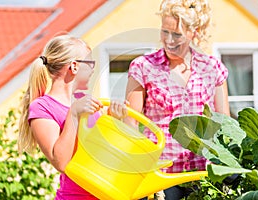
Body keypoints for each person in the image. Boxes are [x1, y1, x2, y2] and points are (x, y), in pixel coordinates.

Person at [125, 0, 230, 199]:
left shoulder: (212, 68)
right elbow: (130, 120)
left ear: (195, 32)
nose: (169, 40)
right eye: (164, 32)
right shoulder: (143, 66)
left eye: (177, 34)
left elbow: (224, 121)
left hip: (202, 174)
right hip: (159, 175)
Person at [18, 34, 128, 200]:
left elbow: (103, 153)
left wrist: (116, 121)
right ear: (75, 67)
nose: (93, 70)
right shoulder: (42, 107)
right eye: (91, 63)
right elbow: (61, 162)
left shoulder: (84, 103)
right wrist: (74, 114)